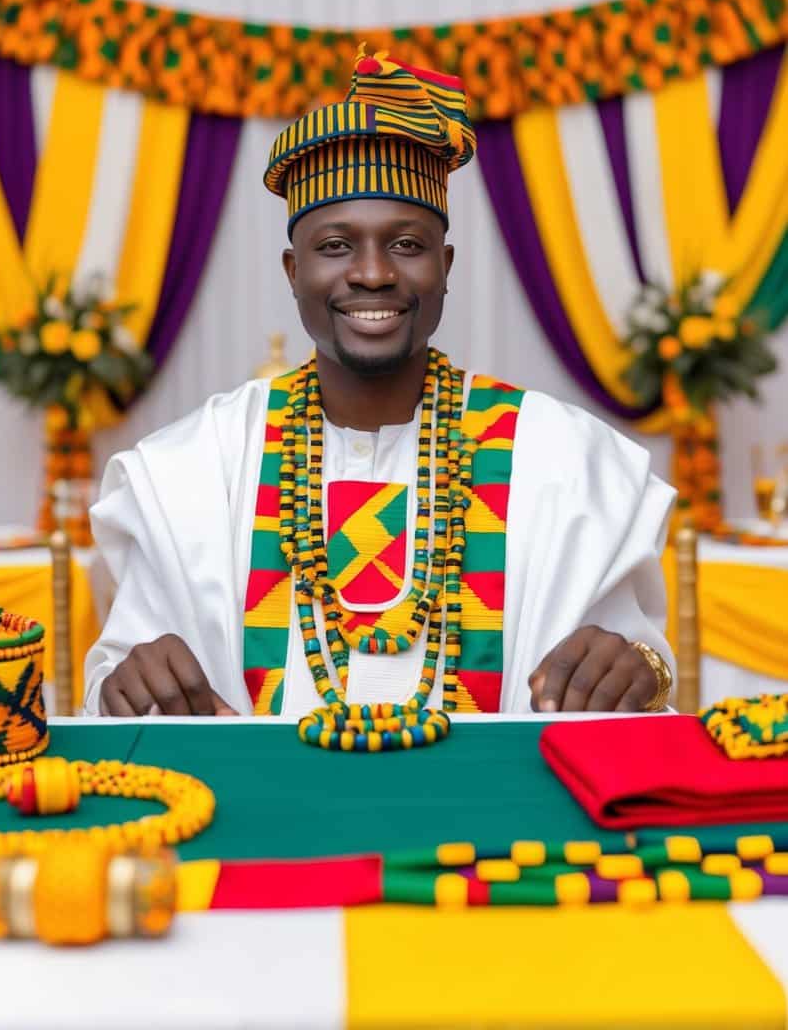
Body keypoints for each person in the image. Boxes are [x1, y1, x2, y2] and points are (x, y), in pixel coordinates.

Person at [84, 46, 675, 721]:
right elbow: (117, 681)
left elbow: (636, 681)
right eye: (335, 246)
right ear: (291, 270)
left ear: (444, 265)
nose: (371, 274)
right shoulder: (186, 471)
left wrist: (638, 667)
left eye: (406, 244)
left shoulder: (570, 462)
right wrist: (125, 683)